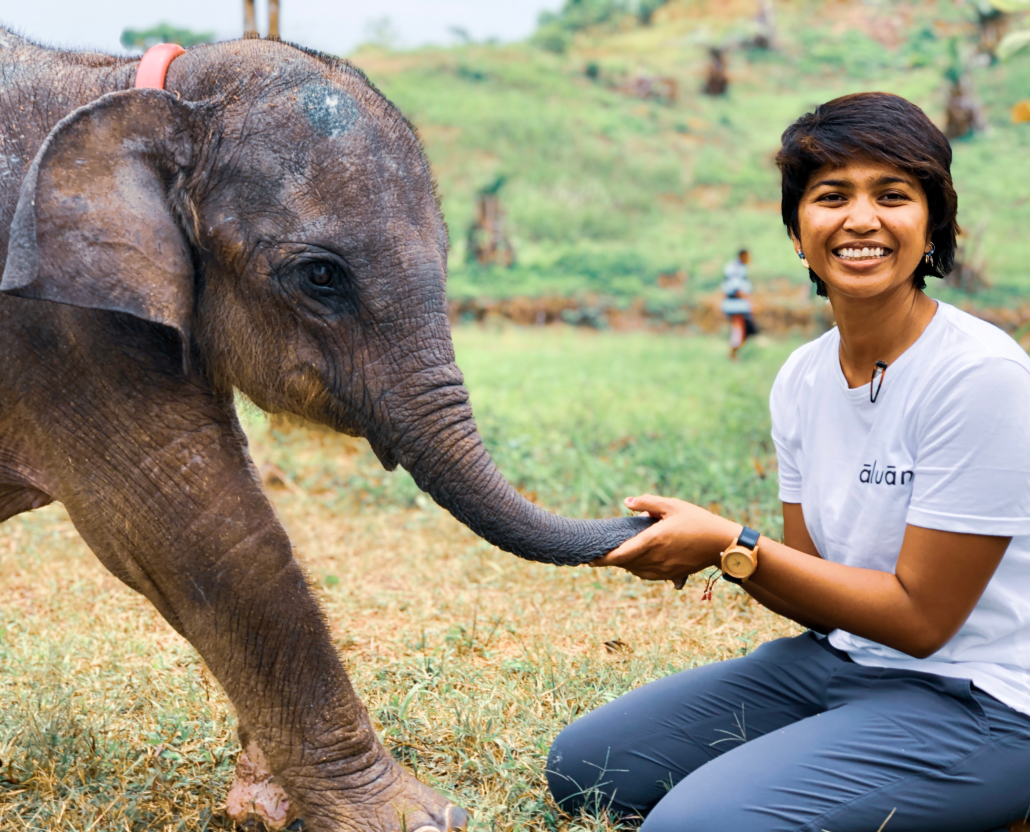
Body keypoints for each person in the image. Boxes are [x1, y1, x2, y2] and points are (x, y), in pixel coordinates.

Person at [546, 92, 1030, 831]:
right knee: (587, 770)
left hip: (981, 701)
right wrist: (725, 554)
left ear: (931, 225)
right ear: (798, 233)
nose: (861, 219)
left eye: (893, 195)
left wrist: (727, 543)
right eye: (831, 195)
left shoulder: (980, 374)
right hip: (838, 665)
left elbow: (924, 620)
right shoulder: (802, 377)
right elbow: (811, 585)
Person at [721, 248, 758, 359]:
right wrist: (750, 301)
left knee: (742, 329)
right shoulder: (736, 269)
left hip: (737, 304)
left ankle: (734, 352)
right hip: (736, 305)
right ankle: (733, 353)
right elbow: (737, 288)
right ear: (742, 256)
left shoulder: (737, 267)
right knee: (739, 329)